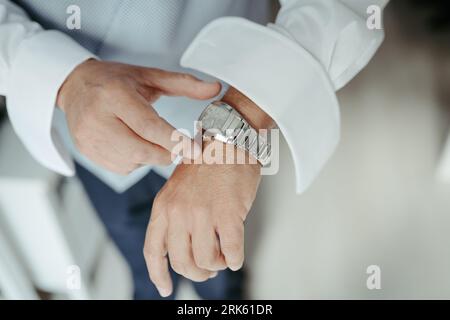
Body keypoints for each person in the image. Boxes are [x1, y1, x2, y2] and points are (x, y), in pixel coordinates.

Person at [0, 0, 388, 299]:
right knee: (131, 237)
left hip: (225, 86)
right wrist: (60, 78)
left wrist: (241, 121)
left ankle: (220, 295)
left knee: (214, 251)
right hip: (84, 128)